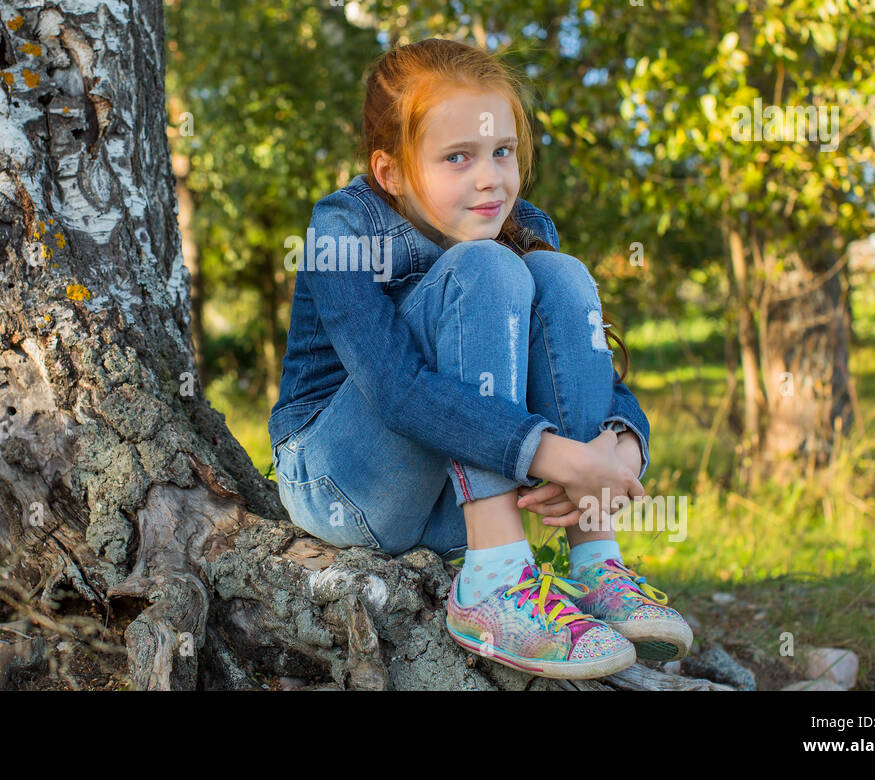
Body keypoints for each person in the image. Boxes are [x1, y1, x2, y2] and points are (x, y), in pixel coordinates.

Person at [268, 38, 691, 679]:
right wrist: (550, 454)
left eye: (502, 152)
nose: (489, 176)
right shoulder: (342, 230)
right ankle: (493, 581)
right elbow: (395, 389)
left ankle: (596, 561)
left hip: (449, 504)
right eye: (457, 157)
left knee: (563, 275)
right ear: (392, 172)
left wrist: (617, 450)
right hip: (343, 486)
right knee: (485, 268)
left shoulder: (523, 221)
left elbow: (582, 355)